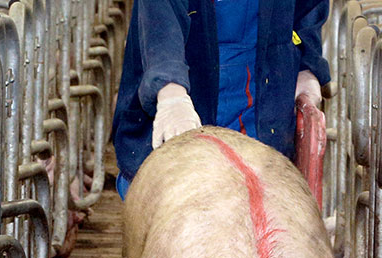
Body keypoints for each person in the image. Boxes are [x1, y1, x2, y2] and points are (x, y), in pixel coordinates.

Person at [111, 0, 331, 199]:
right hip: (188, 102)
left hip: (265, 113)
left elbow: (309, 10)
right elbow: (161, 16)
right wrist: (170, 92)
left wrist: (308, 66)